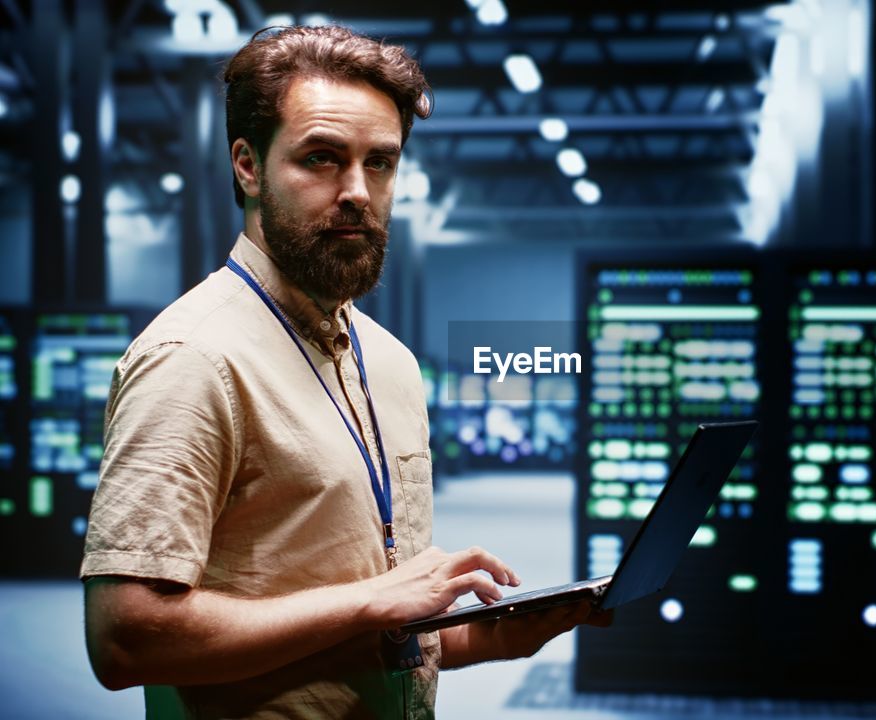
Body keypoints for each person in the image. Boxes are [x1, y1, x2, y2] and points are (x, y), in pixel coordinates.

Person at [80, 25, 608, 719]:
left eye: (380, 163)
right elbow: (124, 639)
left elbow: (370, 630)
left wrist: (487, 638)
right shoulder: (193, 359)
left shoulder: (387, 361)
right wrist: (369, 603)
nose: (358, 191)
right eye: (322, 159)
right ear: (248, 165)